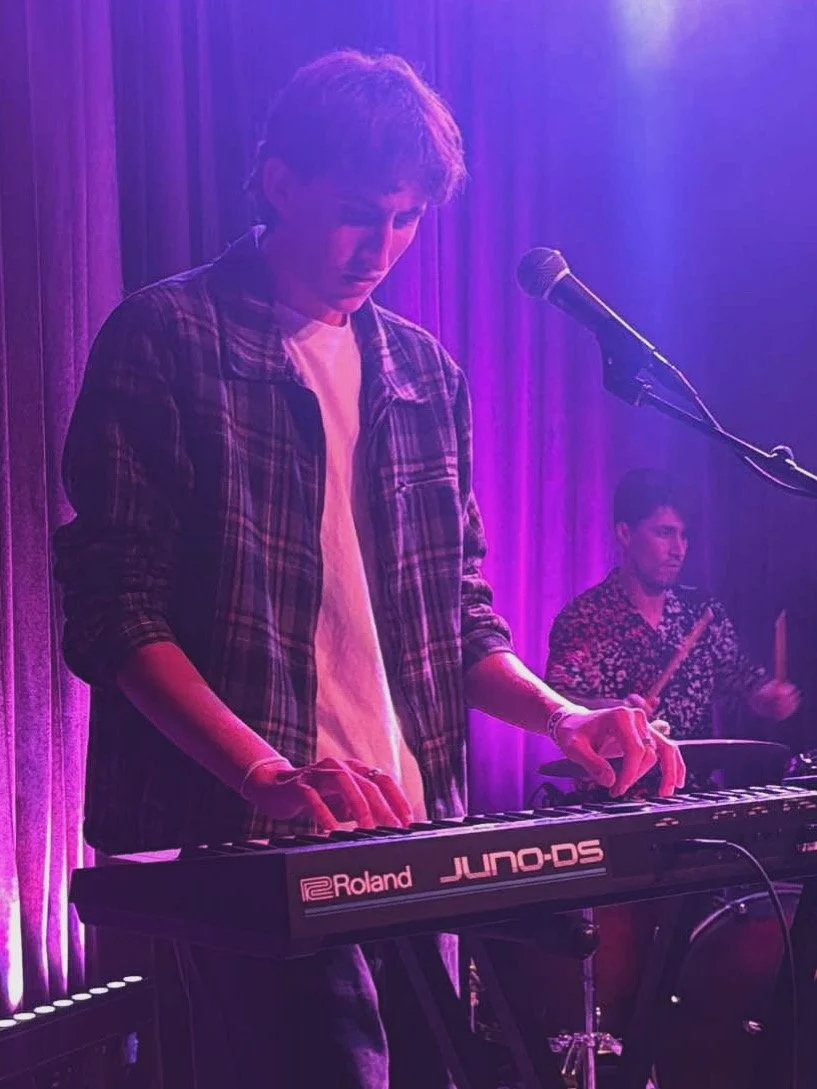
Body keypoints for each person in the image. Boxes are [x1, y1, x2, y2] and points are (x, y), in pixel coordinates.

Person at [53, 52, 684, 1089]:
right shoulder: (168, 336)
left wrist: (563, 717)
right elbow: (114, 613)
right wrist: (267, 773)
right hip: (242, 832)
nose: (379, 248)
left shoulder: (424, 373)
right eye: (356, 214)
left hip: (406, 824)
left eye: (405, 220)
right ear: (277, 181)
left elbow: (461, 620)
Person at [546, 468, 800, 749]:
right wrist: (611, 710)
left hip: (694, 776)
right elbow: (557, 706)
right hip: (616, 775)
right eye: (665, 533)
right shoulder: (583, 618)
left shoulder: (702, 612)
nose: (678, 549)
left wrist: (767, 698)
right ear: (625, 533)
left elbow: (742, 680)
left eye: (684, 535)